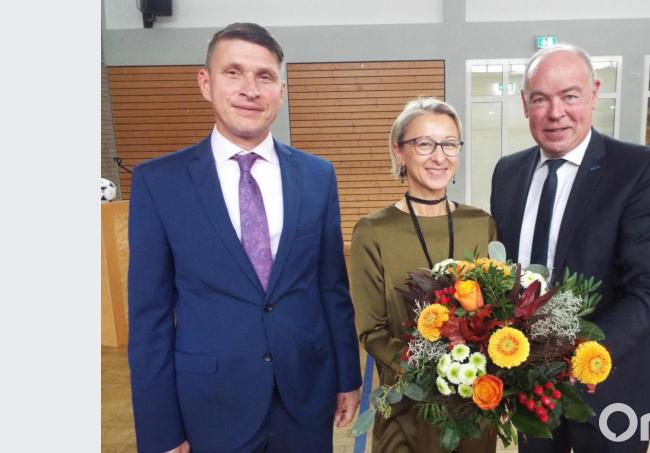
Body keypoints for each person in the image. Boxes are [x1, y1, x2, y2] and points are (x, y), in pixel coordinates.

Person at [127, 23, 361, 453]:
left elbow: (332, 288)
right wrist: (160, 429)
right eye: (233, 72)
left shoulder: (317, 176)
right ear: (206, 83)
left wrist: (348, 375)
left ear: (281, 91)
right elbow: (149, 319)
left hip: (306, 399)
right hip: (210, 407)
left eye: (264, 76)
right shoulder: (158, 183)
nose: (249, 89)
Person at [490, 44, 650, 452]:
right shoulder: (507, 172)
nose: (555, 112)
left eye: (570, 96)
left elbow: (648, 291)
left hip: (612, 383)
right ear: (525, 104)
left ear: (594, 94)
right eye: (540, 98)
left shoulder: (638, 169)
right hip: (531, 391)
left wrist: (573, 358)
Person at [351, 98, 497, 453]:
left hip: (472, 407)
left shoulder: (480, 223)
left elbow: (498, 315)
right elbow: (371, 331)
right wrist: (429, 370)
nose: (439, 156)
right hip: (407, 406)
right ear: (399, 151)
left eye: (449, 144)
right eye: (424, 144)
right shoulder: (373, 230)